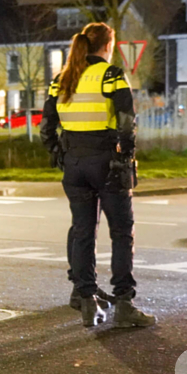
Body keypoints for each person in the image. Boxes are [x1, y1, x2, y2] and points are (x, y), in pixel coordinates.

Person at [40, 22, 155, 328]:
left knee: (82, 231)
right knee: (121, 231)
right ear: (108, 45)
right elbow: (127, 120)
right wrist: (125, 155)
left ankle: (87, 300)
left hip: (74, 163)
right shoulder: (111, 75)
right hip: (105, 160)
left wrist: (59, 153)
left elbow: (46, 127)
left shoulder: (62, 80)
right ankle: (124, 303)